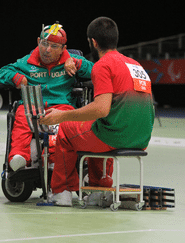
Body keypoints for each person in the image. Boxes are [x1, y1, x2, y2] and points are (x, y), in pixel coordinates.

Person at [38, 17, 155, 206]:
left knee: (67, 129)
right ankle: (98, 188)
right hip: (142, 138)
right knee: (93, 128)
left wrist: (62, 115)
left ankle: (62, 192)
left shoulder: (103, 65)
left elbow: (101, 109)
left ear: (93, 42)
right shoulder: (135, 65)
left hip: (116, 136)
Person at [0, 22, 93, 172]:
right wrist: (16, 77)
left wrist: (77, 63)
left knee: (63, 123)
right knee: (21, 115)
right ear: (38, 42)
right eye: (44, 44)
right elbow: (1, 73)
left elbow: (95, 70)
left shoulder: (71, 60)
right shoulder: (26, 62)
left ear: (63, 49)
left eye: (54, 46)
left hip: (61, 107)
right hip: (32, 106)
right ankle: (18, 157)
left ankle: (54, 159)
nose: (47, 50)